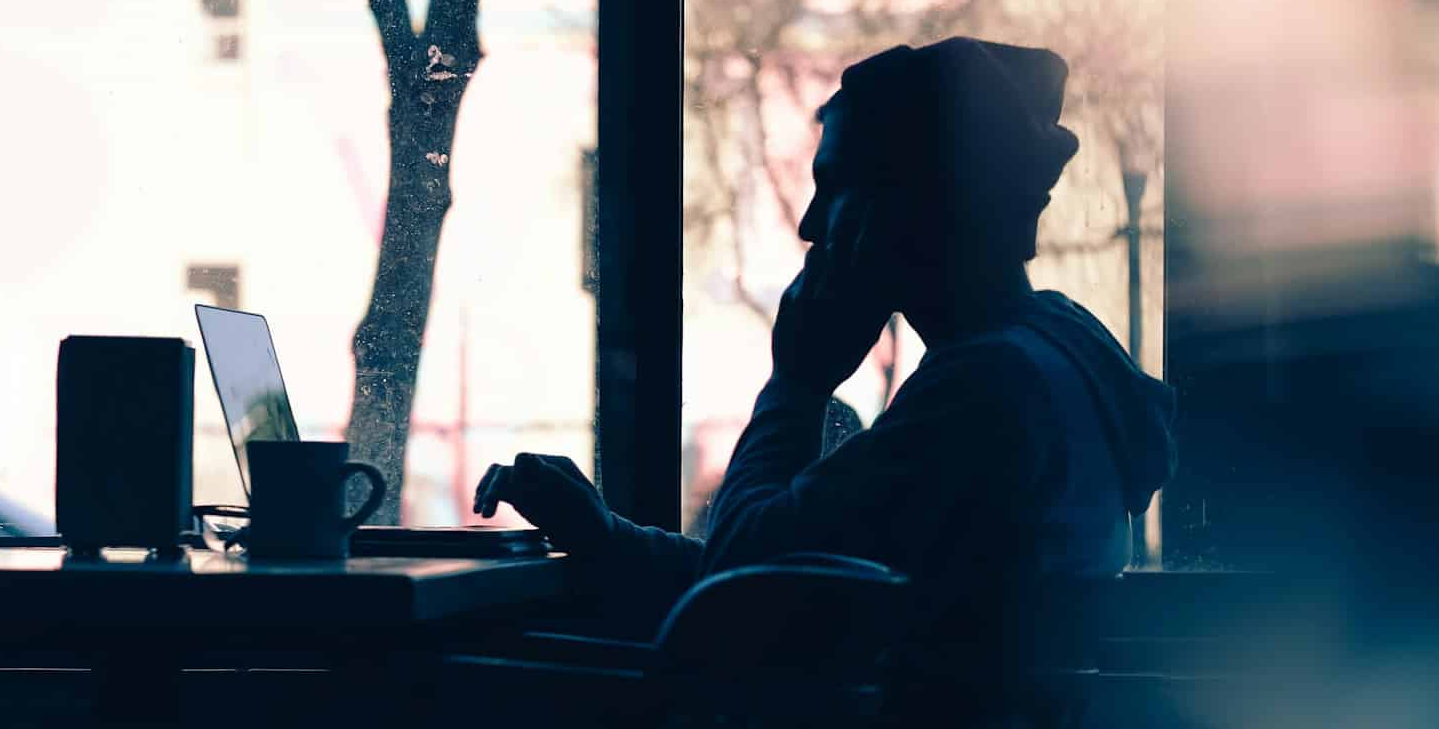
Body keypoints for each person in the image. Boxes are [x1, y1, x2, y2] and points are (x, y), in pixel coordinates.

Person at [476, 37, 1177, 642]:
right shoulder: (1048, 353)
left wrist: (797, 385)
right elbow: (793, 564)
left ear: (914, 201)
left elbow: (742, 588)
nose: (811, 224)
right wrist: (606, 538)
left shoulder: (983, 391)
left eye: (835, 187)